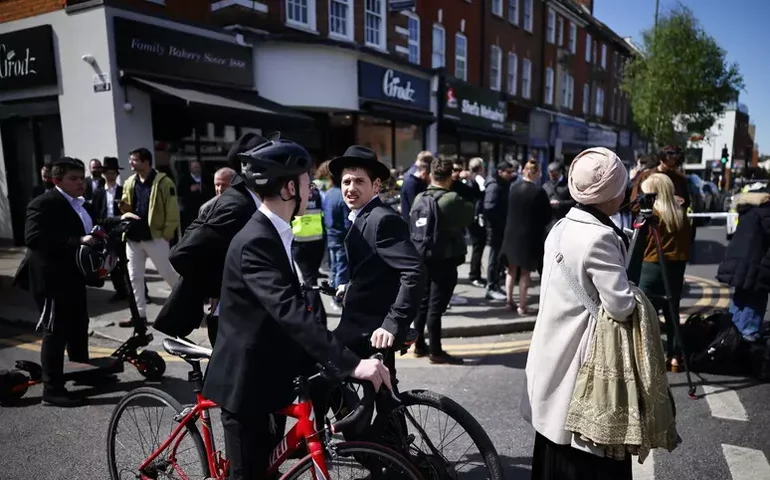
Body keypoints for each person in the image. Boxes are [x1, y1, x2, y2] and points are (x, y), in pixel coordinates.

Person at [202, 138, 390, 480]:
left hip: (271, 370)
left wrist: (338, 359)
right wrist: (351, 363)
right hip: (244, 384)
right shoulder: (256, 240)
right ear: (290, 188)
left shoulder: (276, 231)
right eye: (306, 181)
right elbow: (289, 311)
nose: (311, 188)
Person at [521, 147, 635, 480]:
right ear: (610, 193)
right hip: (581, 360)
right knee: (582, 453)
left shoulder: (560, 227)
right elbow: (621, 306)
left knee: (553, 439)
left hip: (551, 352)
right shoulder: (600, 237)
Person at [154, 134, 265, 345]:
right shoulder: (237, 206)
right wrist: (218, 287)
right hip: (230, 319)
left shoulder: (249, 200)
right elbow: (181, 253)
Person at [328, 146, 425, 369]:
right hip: (360, 323)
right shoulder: (363, 215)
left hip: (372, 330)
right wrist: (349, 287)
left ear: (376, 185)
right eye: (346, 182)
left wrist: (393, 323)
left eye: (359, 181)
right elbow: (378, 270)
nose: (351, 188)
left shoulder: (382, 220)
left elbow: (414, 271)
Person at [13, 158, 97, 407]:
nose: (80, 183)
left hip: (73, 276)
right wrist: (77, 240)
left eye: (82, 178)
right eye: (73, 178)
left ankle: (81, 371)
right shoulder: (43, 203)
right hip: (51, 279)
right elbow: (34, 238)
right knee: (56, 331)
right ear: (57, 180)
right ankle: (52, 390)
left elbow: (91, 228)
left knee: (79, 324)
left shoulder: (79, 203)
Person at [411, 156, 474, 364]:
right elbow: (470, 215)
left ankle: (419, 345)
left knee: (422, 304)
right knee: (436, 308)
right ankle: (436, 351)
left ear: (431, 174)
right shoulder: (452, 199)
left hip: (422, 256)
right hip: (444, 259)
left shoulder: (419, 198)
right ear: (450, 177)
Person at [118, 147, 180, 328]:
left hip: (156, 236)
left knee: (168, 273)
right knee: (134, 277)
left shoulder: (164, 182)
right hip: (133, 237)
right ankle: (139, 315)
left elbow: (172, 208)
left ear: (146, 162)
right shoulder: (130, 182)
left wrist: (168, 231)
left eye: (134, 160)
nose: (130, 163)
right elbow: (126, 204)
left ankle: (188, 305)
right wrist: (124, 207)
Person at [638, 173, 691, 369]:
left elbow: (640, 245)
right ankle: (675, 356)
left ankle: (646, 357)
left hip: (651, 267)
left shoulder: (651, 216)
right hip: (675, 267)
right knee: (672, 312)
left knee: (646, 314)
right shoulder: (680, 215)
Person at [717, 184, 770, 342]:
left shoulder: (750, 210)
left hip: (742, 261)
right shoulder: (766, 212)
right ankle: (746, 335)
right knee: (756, 298)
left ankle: (731, 333)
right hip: (756, 262)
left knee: (741, 297)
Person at [500, 160, 552, 314]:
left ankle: (509, 301)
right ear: (536, 173)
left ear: (523, 171)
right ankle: (522, 306)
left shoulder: (513, 188)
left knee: (510, 270)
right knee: (525, 273)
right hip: (529, 236)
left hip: (511, 234)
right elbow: (546, 216)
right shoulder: (538, 192)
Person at [90, 156, 130, 302]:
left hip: (122, 229)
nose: (110, 175)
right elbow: (96, 213)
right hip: (106, 230)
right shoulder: (98, 192)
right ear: (104, 174)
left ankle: (140, 292)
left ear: (117, 174)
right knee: (110, 262)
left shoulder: (122, 191)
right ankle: (120, 291)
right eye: (107, 173)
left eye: (113, 173)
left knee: (128, 262)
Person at [484, 160, 517, 300]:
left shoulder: (504, 184)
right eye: (508, 172)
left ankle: (495, 284)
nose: (511, 174)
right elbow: (489, 208)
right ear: (500, 172)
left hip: (501, 227)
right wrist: (500, 221)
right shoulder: (494, 186)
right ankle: (491, 287)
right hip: (495, 228)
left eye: (512, 172)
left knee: (498, 259)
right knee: (494, 258)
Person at [321, 161, 352, 311]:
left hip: (331, 235)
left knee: (334, 268)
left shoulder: (328, 193)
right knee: (341, 268)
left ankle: (334, 295)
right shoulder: (341, 195)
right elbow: (347, 222)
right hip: (340, 237)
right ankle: (338, 298)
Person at [466, 157, 487, 288]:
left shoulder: (470, 180)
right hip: (475, 218)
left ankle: (476, 274)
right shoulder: (478, 180)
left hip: (472, 217)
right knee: (478, 246)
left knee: (478, 246)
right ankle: (474, 275)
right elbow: (480, 199)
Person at [399, 151, 432, 220]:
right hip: (412, 222)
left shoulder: (414, 181)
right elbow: (415, 206)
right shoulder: (411, 183)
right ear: (424, 173)